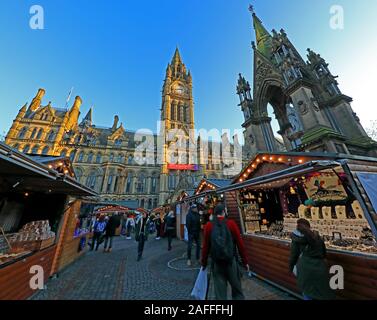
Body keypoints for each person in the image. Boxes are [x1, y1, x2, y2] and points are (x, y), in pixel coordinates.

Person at [201, 203, 250, 300]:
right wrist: (245, 262)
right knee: (237, 292)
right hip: (231, 262)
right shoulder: (231, 224)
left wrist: (204, 262)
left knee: (220, 295)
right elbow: (240, 244)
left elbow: (205, 247)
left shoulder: (209, 226)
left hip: (217, 264)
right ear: (223, 212)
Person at [289, 218, 335, 300]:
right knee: (323, 293)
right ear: (309, 226)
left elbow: (293, 256)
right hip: (320, 267)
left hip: (304, 268)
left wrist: (291, 268)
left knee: (308, 292)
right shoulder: (317, 237)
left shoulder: (296, 239)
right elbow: (323, 253)